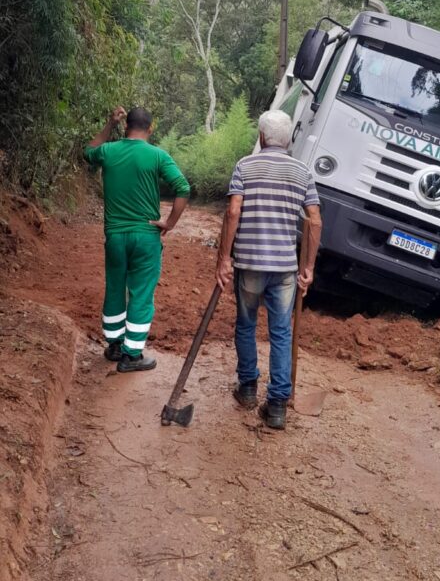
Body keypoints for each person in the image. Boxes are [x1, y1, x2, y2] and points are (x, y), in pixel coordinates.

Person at [216, 110, 322, 430]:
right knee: (281, 332)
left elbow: (233, 212)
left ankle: (248, 388)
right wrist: (309, 267)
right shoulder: (303, 172)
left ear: (262, 137)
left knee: (246, 324)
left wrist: (224, 258)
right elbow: (315, 220)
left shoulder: (245, 166)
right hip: (285, 269)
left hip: (249, 264)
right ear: (288, 140)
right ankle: (277, 406)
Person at [84, 106, 190, 372]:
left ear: (125, 126)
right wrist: (170, 223)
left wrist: (109, 124)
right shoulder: (158, 156)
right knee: (141, 293)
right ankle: (131, 356)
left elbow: (88, 151)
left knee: (115, 288)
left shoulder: (108, 151)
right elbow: (183, 188)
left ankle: (114, 346)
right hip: (145, 236)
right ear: (150, 128)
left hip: (115, 236)